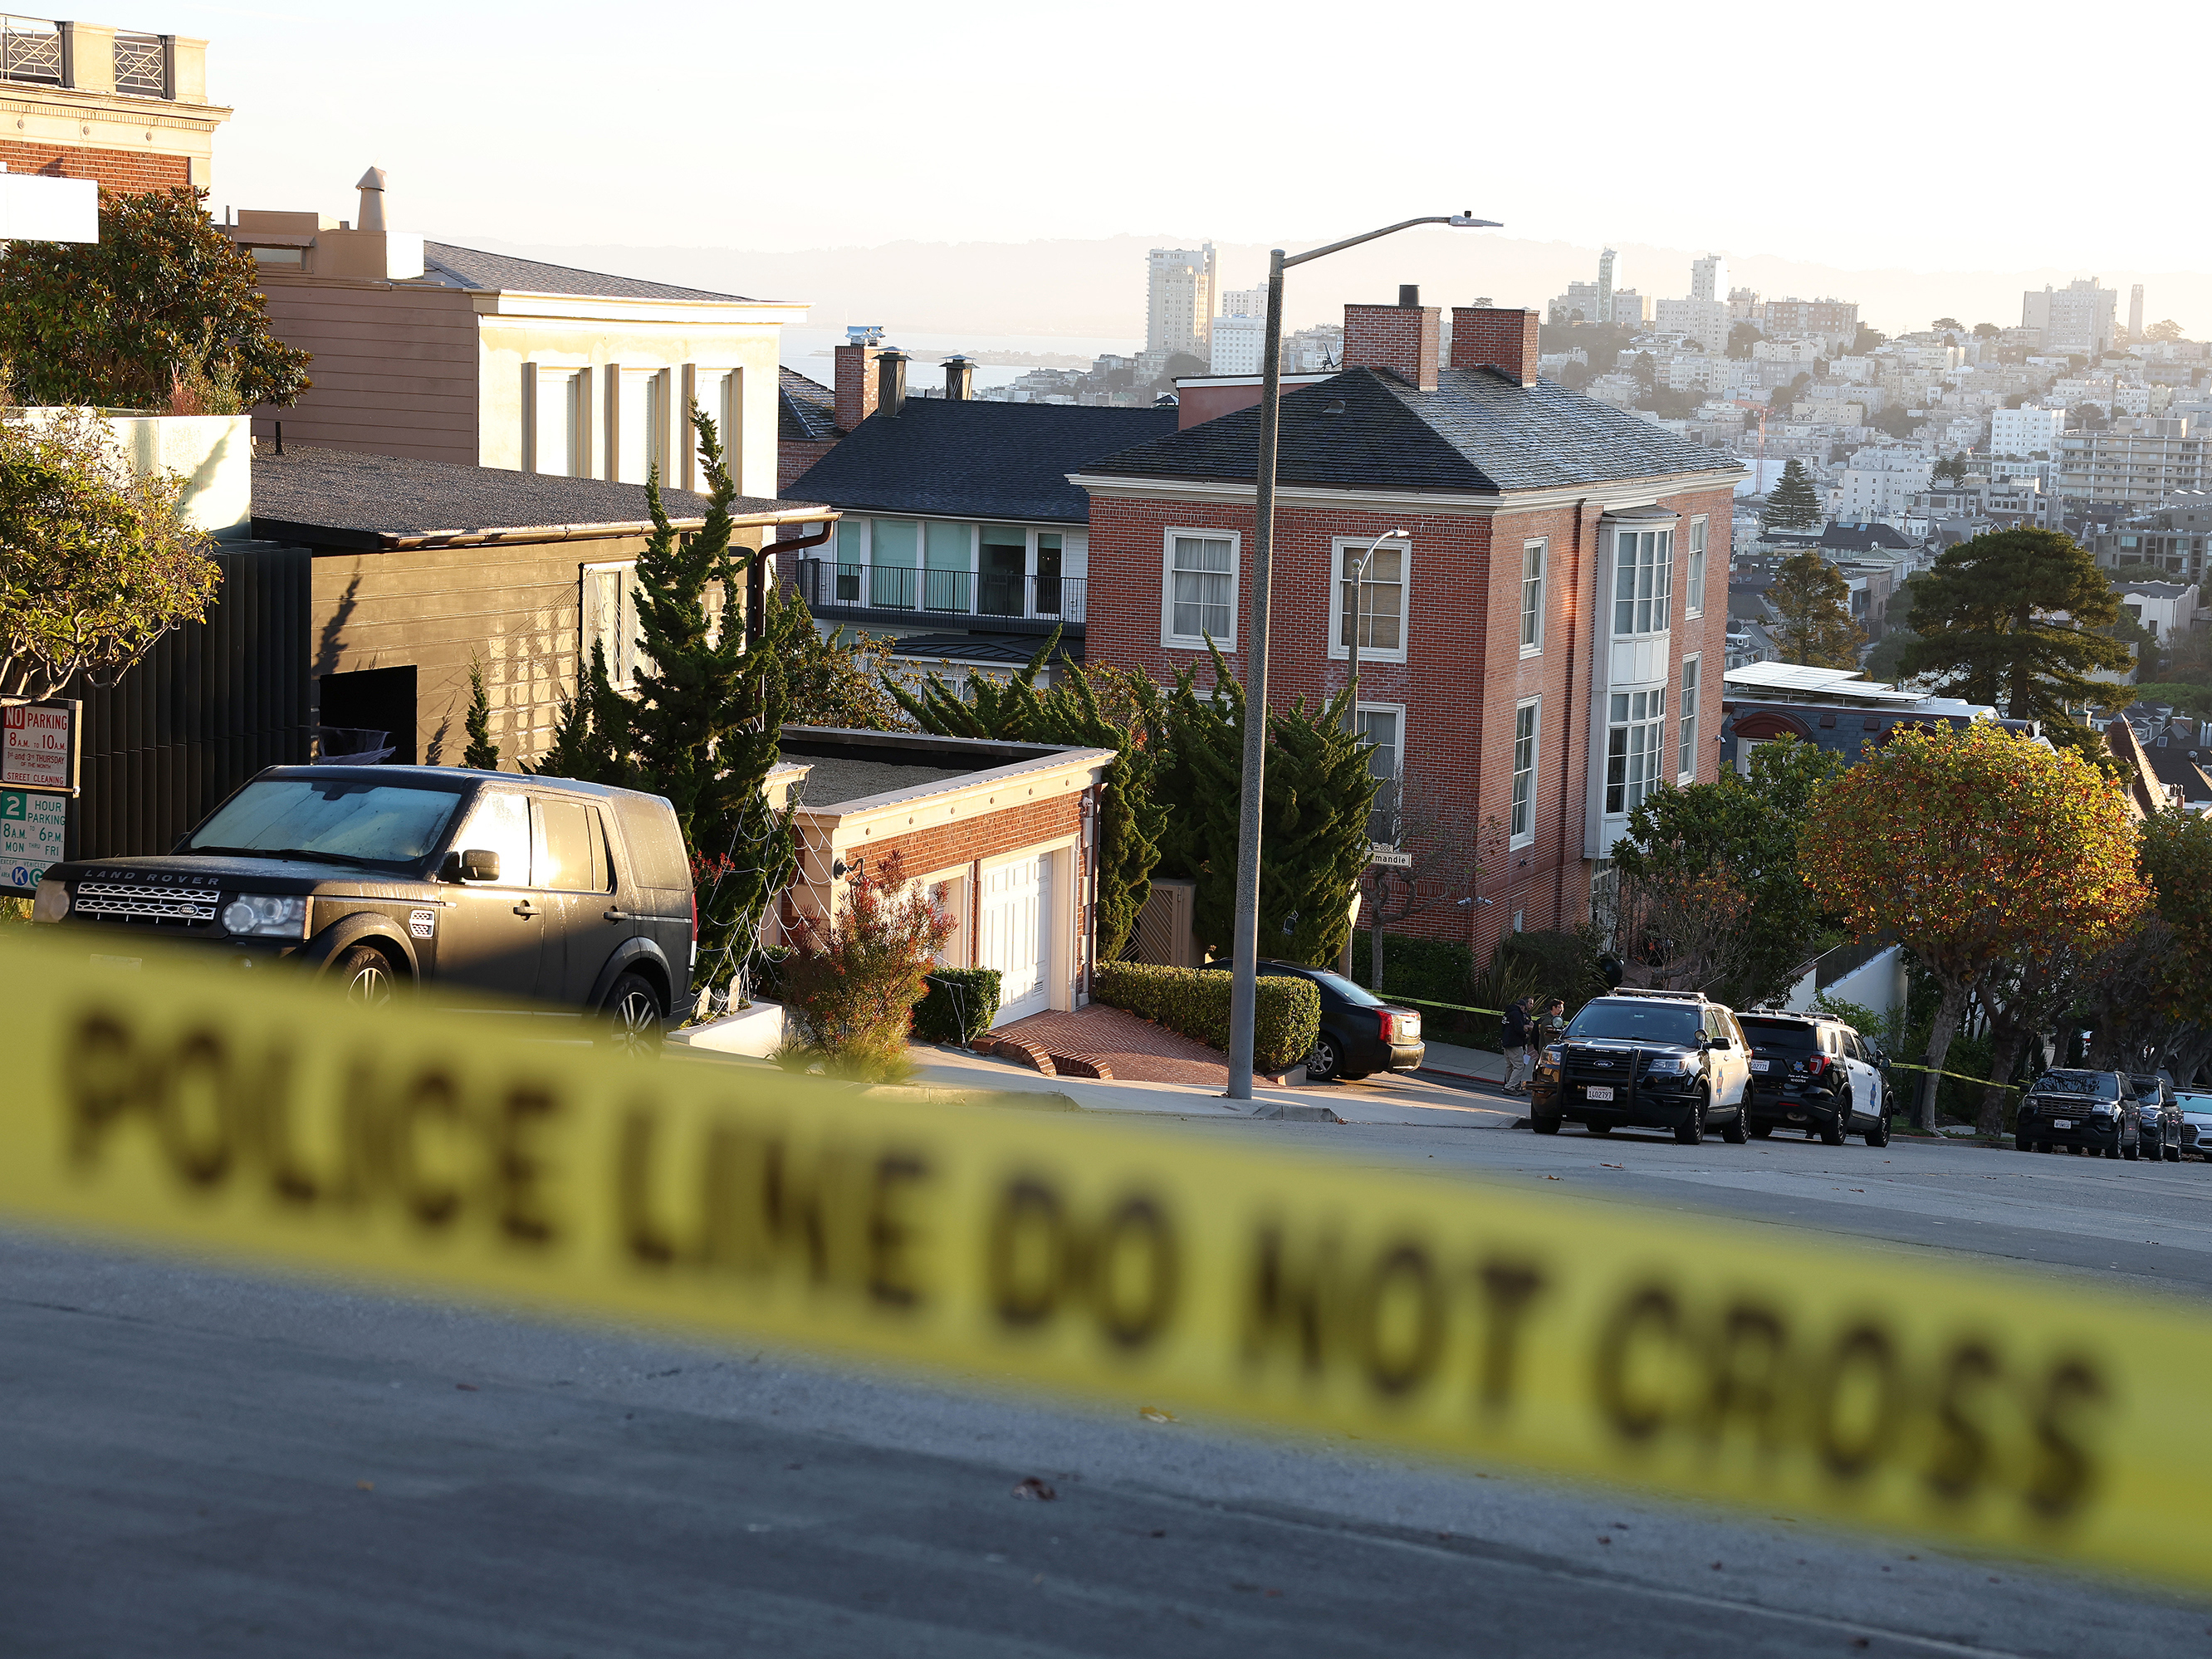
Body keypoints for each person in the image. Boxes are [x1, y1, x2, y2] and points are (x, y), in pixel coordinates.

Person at [1501, 994, 1537, 1093]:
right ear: (1522, 1006)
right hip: (1515, 1043)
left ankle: (1510, 1084)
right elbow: (1519, 1028)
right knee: (1519, 1066)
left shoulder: (1508, 1013)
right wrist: (1524, 1034)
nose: (1530, 1007)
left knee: (1510, 1065)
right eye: (1529, 1004)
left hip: (1508, 1042)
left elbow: (1504, 1028)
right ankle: (1510, 1086)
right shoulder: (1517, 1014)